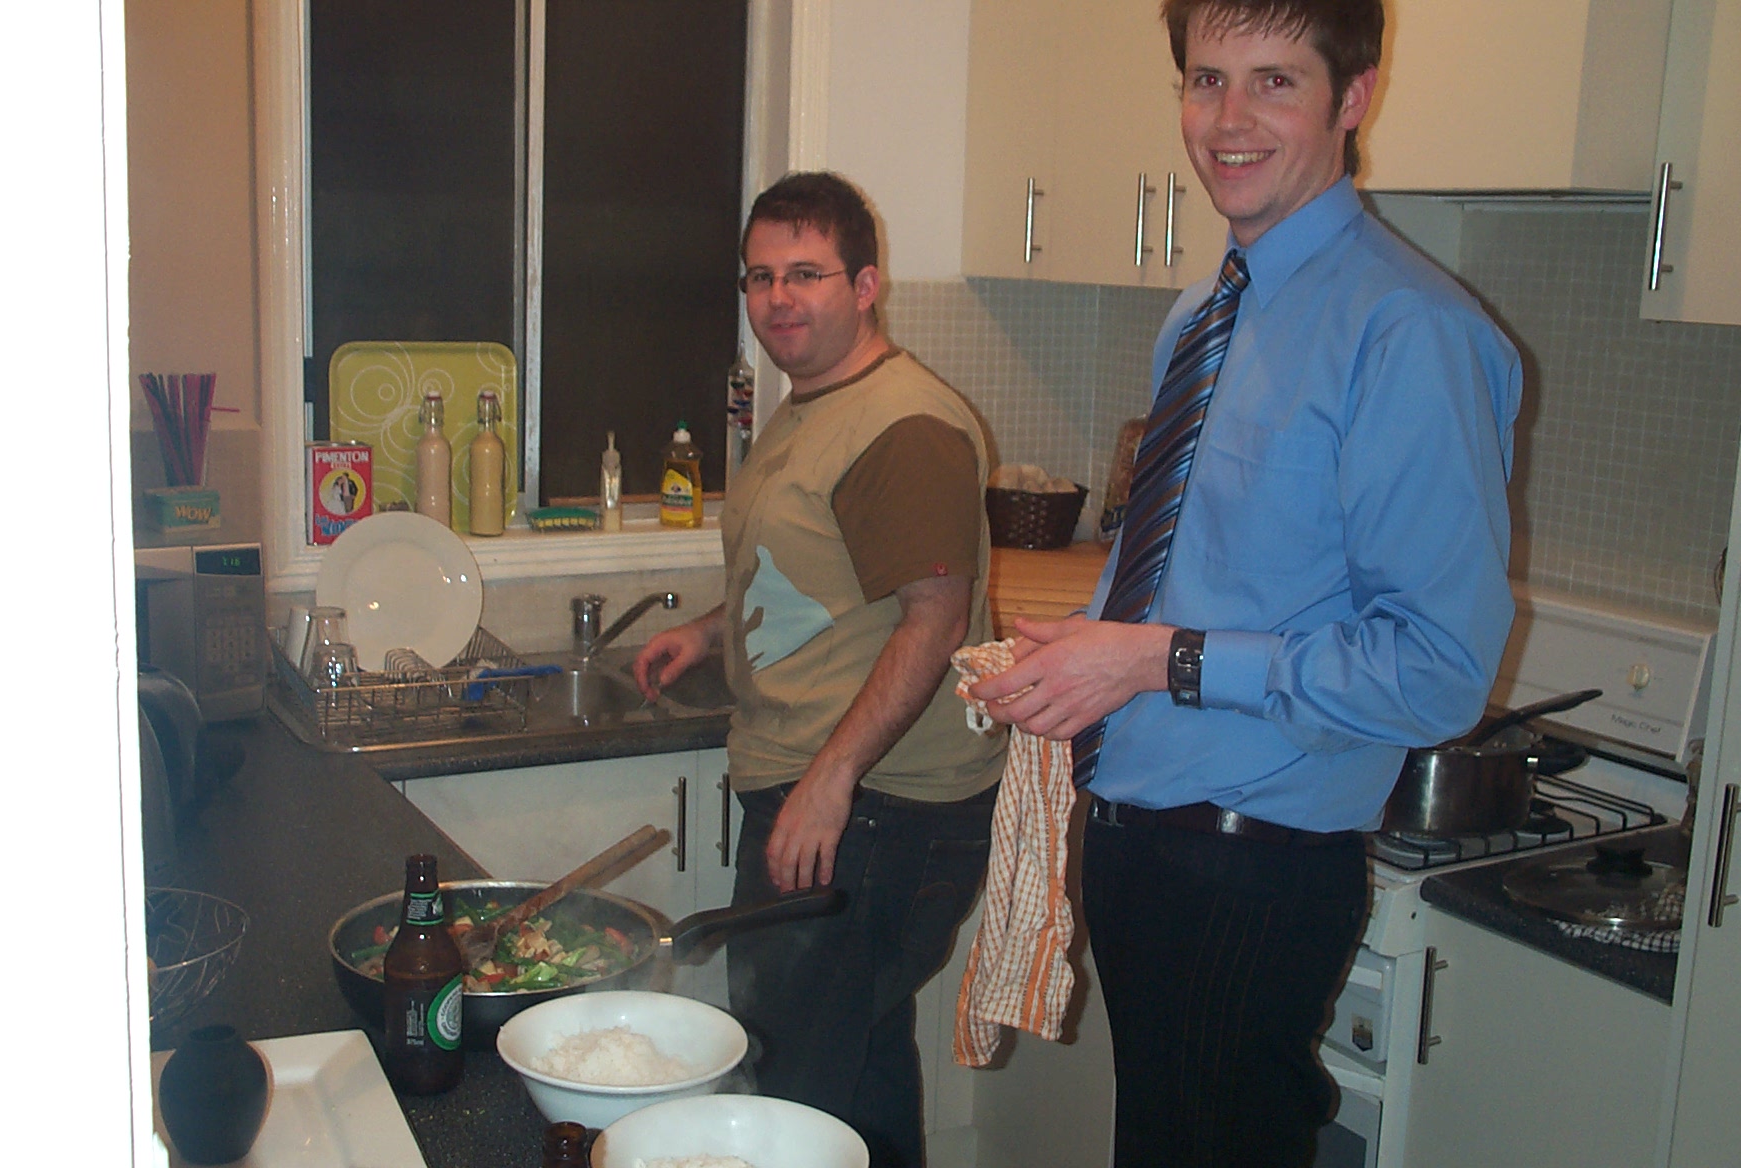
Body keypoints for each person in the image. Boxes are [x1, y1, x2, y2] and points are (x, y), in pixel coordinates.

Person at [969, 1, 1523, 1164]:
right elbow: (1189, 569)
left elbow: (1434, 672)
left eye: (1273, 82)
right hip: (1138, 845)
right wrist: (1089, 641)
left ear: (1352, 98)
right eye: (1205, 80)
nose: (1227, 120)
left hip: (1251, 872)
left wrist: (1147, 659)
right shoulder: (1201, 314)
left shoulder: (1407, 332)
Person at [632, 171, 1004, 1168]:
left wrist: (827, 783)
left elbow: (932, 623)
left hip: (876, 809)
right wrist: (710, 632)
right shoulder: (812, 406)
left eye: (806, 273)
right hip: (839, 794)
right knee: (858, 1067)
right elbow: (827, 575)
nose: (777, 299)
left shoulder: (904, 425)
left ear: (866, 283)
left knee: (789, 1088)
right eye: (759, 277)